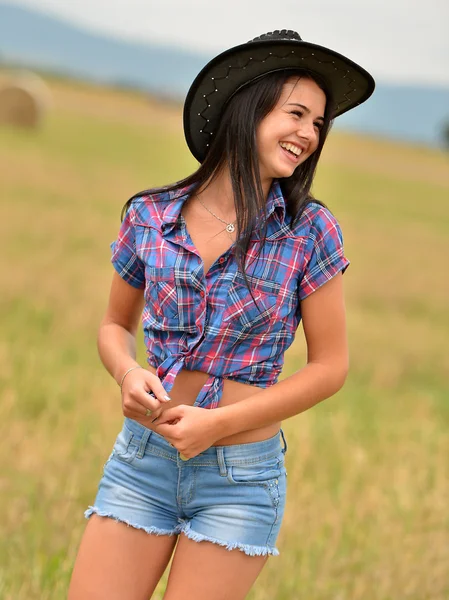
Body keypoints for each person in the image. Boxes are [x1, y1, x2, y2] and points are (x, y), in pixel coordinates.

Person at [68, 29, 375, 600]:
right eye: (297, 114)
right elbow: (114, 325)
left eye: (319, 124)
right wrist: (129, 373)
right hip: (143, 459)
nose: (309, 133)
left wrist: (218, 425)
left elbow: (330, 367)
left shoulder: (309, 231)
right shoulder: (150, 215)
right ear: (247, 106)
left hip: (241, 477)